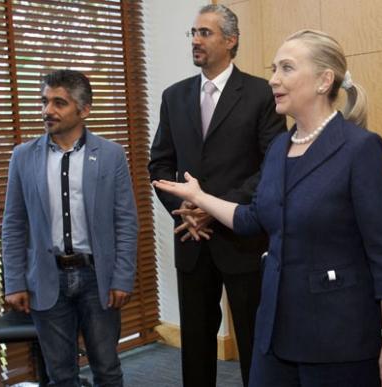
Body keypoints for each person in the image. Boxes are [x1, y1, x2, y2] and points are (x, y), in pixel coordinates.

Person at [153, 29, 382, 387]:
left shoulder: (361, 150)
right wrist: (199, 197)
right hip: (275, 333)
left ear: (324, 80)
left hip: (339, 340)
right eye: (274, 68)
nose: (274, 79)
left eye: (287, 68)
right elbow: (252, 218)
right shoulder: (278, 149)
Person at [147, 4, 286, 387]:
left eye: (205, 33)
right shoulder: (173, 97)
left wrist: (214, 207)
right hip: (191, 238)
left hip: (242, 239)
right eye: (192, 33)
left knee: (254, 340)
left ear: (231, 39)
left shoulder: (262, 93)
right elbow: (159, 165)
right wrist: (185, 209)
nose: (195, 40)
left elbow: (272, 164)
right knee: (195, 343)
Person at [2, 69, 138, 386]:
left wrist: (122, 277)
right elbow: (13, 224)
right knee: (60, 374)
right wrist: (14, 281)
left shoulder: (110, 155)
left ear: (84, 109)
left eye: (59, 102)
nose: (48, 110)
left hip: (97, 278)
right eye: (44, 101)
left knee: (107, 368)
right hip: (47, 279)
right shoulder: (23, 157)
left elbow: (125, 221)